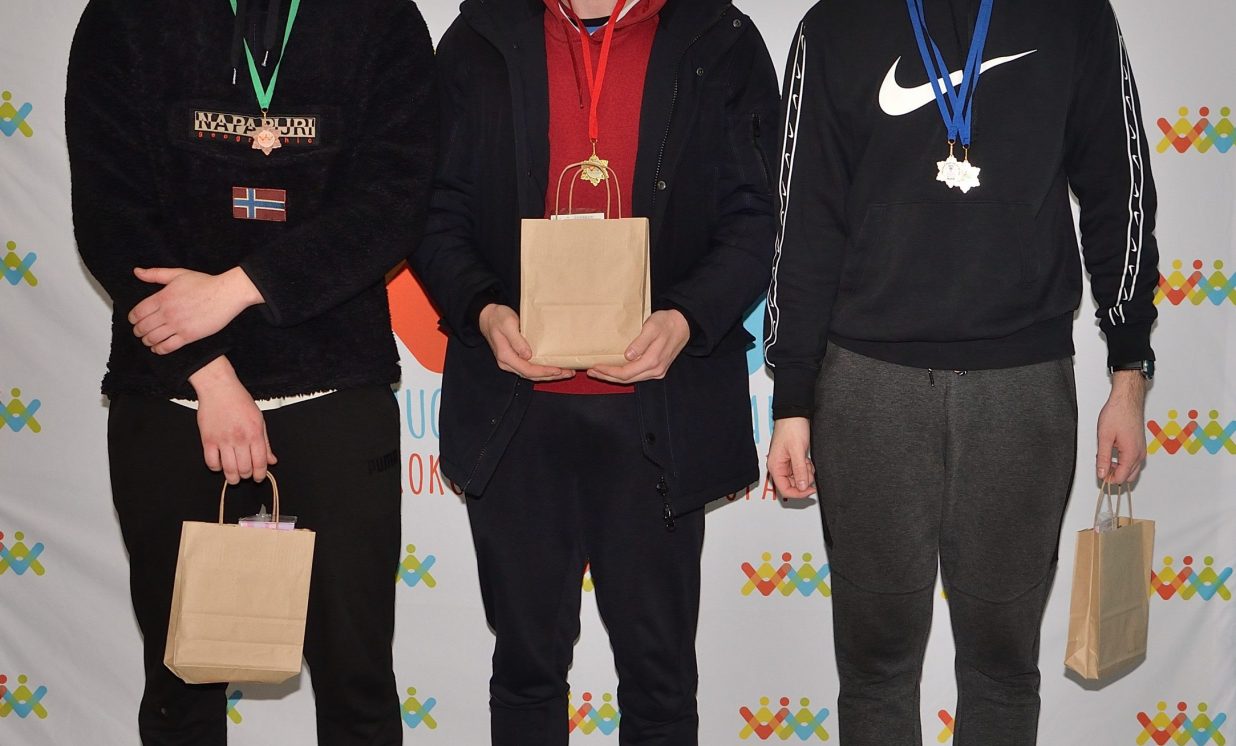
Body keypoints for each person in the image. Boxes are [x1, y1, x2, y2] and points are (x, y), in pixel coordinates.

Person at [765, 0, 1159, 743]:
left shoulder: (1072, 18)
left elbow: (1120, 190)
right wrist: (792, 398)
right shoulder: (834, 26)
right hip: (867, 384)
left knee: (1003, 666)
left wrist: (1129, 372)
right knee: (876, 668)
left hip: (1023, 383)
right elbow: (803, 220)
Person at [66, 0, 436, 743]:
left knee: (357, 684)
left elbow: (394, 202)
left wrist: (239, 288)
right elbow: (110, 214)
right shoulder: (124, 15)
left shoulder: (383, 18)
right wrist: (210, 376)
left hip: (334, 388)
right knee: (181, 687)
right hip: (171, 395)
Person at [410, 0, 778, 742]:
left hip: (660, 408)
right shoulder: (479, 38)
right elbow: (431, 209)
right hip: (514, 411)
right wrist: (482, 309)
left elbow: (755, 216)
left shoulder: (720, 37)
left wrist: (686, 318)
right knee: (525, 671)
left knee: (660, 679)